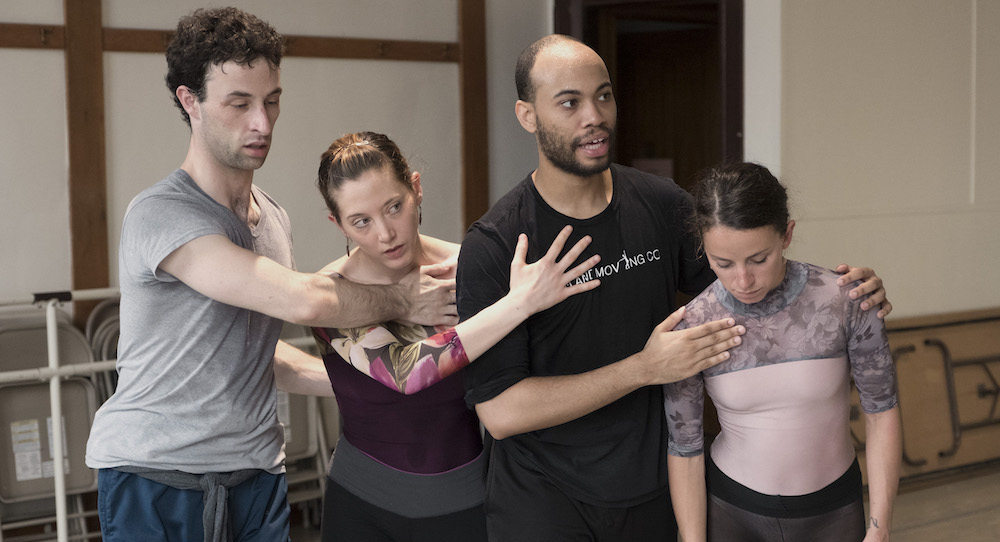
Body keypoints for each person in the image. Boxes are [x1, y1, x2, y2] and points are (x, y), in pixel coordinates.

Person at [456, 34, 892, 541]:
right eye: (569, 103)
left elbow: (749, 290)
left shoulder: (661, 204)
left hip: (655, 487)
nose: (594, 115)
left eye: (603, 95)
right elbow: (502, 413)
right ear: (527, 115)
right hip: (543, 499)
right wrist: (644, 368)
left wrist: (846, 296)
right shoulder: (498, 243)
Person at [85, 9, 455, 542]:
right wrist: (404, 300)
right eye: (239, 104)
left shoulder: (272, 217)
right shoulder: (161, 214)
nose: (262, 123)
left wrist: (379, 381)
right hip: (157, 476)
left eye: (272, 100)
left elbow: (256, 348)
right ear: (191, 101)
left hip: (258, 473)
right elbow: (303, 301)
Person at [302, 131, 600, 541]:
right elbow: (406, 373)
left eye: (394, 206)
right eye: (362, 221)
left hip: (466, 500)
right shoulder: (330, 293)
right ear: (339, 224)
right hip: (361, 504)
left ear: (416, 189)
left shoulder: (471, 265)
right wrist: (520, 304)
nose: (386, 233)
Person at [663, 162, 901, 542]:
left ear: (787, 235)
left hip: (834, 511)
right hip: (732, 512)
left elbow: (882, 411)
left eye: (759, 259)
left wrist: (880, 525)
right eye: (722, 263)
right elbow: (684, 446)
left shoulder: (845, 300)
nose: (743, 280)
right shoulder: (694, 325)